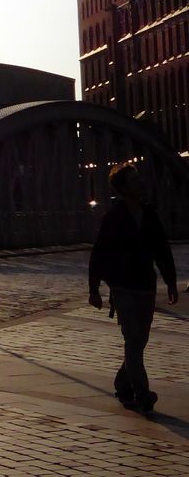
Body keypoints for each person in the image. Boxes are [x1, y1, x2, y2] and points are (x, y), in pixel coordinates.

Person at [88, 162, 178, 415]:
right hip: (123, 287)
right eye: (135, 180)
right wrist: (93, 288)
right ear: (124, 188)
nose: (141, 183)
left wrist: (170, 281)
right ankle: (142, 393)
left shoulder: (149, 214)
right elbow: (99, 253)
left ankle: (121, 382)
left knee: (139, 341)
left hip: (146, 286)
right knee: (133, 339)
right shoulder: (113, 218)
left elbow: (162, 250)